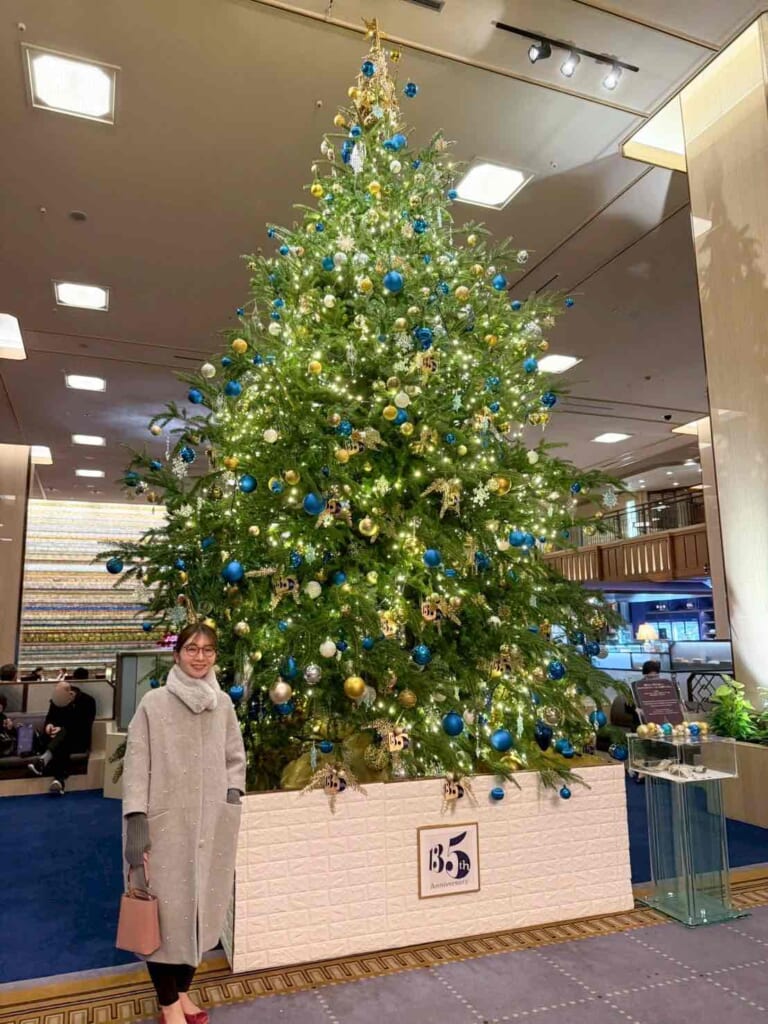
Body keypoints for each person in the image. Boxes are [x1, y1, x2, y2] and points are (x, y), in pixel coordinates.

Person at [122, 623, 246, 1024]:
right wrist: (136, 821)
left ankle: (183, 994)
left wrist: (232, 797)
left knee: (201, 912)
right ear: (177, 655)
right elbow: (136, 766)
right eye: (192, 648)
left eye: (208, 650)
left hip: (213, 828)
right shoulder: (154, 704)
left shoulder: (222, 704)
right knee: (164, 919)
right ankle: (168, 1005)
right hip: (165, 830)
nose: (200, 657)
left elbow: (235, 758)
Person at [27, 681, 96, 793]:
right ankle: (59, 780)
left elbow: (84, 725)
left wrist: (63, 728)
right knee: (61, 743)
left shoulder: (87, 701)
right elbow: (50, 718)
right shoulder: (57, 700)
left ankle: (44, 760)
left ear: (71, 694)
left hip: (76, 739)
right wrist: (49, 726)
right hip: (56, 739)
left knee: (63, 737)